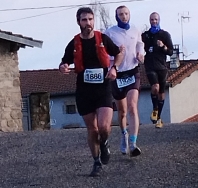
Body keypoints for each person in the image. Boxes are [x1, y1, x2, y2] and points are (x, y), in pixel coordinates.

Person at [59, 7, 124, 177]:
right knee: (92, 129)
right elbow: (64, 61)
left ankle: (105, 143)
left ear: (93, 20)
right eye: (84, 20)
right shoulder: (74, 43)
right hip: (84, 90)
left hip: (103, 88)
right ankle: (96, 162)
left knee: (103, 127)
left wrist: (114, 68)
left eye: (90, 19)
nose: (87, 23)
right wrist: (64, 67)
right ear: (78, 22)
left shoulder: (102, 38)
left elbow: (118, 54)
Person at [104, 5, 144, 157]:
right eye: (121, 14)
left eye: (126, 13)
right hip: (118, 74)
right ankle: (124, 135)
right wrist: (113, 58)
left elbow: (140, 44)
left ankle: (133, 144)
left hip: (133, 72)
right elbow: (104, 51)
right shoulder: (110, 32)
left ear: (129, 14)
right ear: (116, 16)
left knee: (132, 106)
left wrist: (140, 54)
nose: (124, 16)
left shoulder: (135, 30)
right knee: (122, 112)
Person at [141, 12, 173, 128]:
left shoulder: (164, 35)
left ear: (159, 20)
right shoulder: (145, 35)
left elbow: (171, 51)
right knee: (155, 87)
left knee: (161, 93)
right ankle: (154, 108)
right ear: (149, 20)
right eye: (152, 19)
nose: (154, 21)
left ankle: (159, 118)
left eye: (155, 19)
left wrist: (163, 46)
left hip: (162, 66)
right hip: (150, 65)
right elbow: (139, 46)